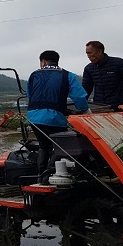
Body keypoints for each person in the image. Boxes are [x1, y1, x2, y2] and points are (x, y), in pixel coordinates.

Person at [27, 50, 89, 182]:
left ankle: (41, 176)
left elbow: (30, 96)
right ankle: (50, 176)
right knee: (60, 146)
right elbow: (79, 97)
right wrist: (84, 110)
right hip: (54, 117)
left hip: (33, 116)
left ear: (43, 61)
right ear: (57, 61)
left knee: (44, 146)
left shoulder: (34, 75)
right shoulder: (67, 75)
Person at [82, 41, 123, 111]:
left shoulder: (119, 63)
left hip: (119, 107)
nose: (88, 56)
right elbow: (85, 89)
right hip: (100, 107)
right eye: (87, 53)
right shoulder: (88, 68)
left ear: (99, 52)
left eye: (90, 53)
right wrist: (81, 106)